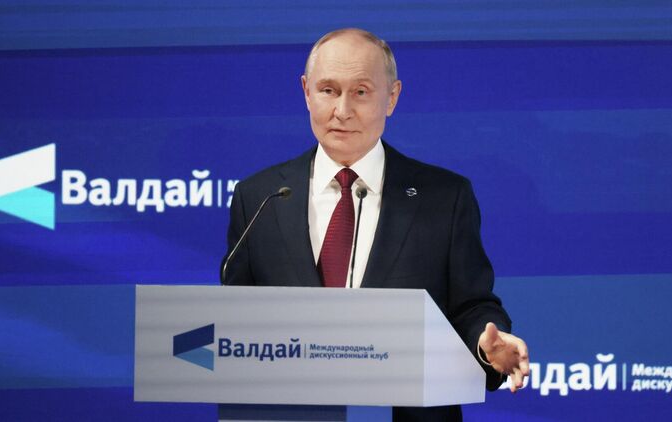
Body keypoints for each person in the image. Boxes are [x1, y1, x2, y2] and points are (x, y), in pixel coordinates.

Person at [223, 28, 529, 421]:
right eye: (328, 90)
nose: (342, 110)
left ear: (392, 97)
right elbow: (235, 321)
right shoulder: (259, 197)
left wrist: (488, 347)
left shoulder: (445, 197)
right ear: (306, 92)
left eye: (361, 92)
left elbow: (470, 306)